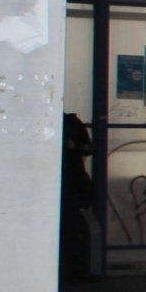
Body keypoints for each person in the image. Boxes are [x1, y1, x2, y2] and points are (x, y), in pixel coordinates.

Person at [61, 112, 95, 283]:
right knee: (72, 228)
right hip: (68, 182)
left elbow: (88, 148)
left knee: (73, 229)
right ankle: (73, 270)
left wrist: (73, 147)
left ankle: (75, 270)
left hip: (70, 183)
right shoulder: (71, 123)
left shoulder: (72, 123)